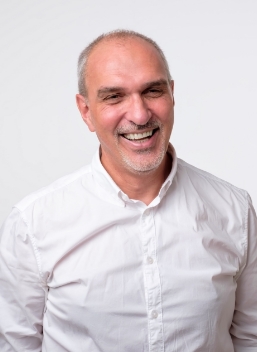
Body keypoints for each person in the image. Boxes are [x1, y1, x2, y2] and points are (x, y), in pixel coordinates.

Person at [0, 30, 256, 352]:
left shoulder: (235, 210)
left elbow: (250, 339)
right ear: (86, 111)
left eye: (152, 90)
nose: (139, 114)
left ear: (172, 94)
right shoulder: (32, 224)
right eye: (114, 96)